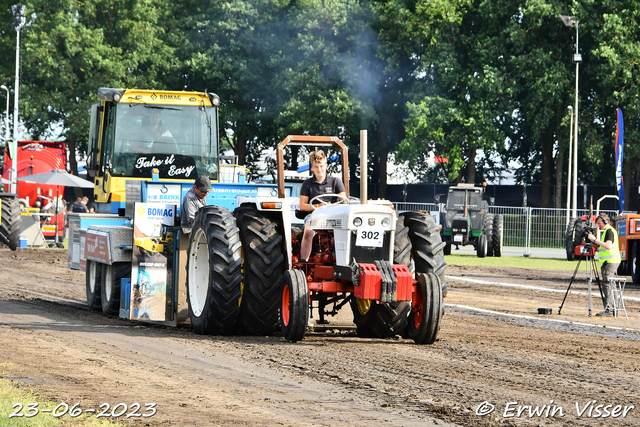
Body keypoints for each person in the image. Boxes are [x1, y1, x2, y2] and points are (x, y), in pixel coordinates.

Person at [298, 150, 346, 262]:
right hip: (314, 215)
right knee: (309, 231)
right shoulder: (307, 184)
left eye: (321, 166)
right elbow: (302, 206)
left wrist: (333, 205)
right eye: (316, 167)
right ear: (312, 168)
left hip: (334, 215)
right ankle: (303, 261)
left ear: (326, 166)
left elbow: (344, 201)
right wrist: (318, 206)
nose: (319, 169)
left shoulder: (335, 182)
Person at [587, 213, 621, 317]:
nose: (598, 226)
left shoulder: (609, 231)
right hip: (610, 261)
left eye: (599, 223)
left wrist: (594, 240)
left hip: (610, 262)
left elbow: (608, 246)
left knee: (607, 284)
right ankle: (613, 309)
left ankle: (609, 310)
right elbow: (601, 246)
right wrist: (593, 242)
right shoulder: (608, 231)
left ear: (605, 222)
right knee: (611, 284)